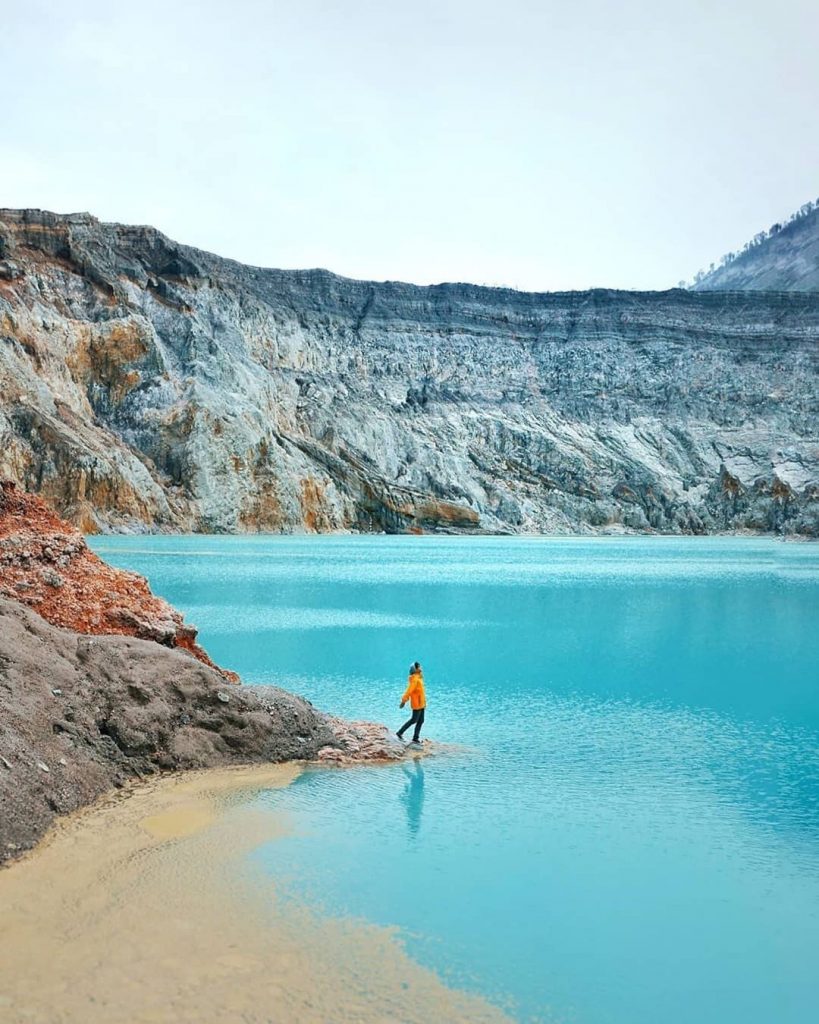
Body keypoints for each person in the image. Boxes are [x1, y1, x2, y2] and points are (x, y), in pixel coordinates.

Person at [397, 661, 426, 743]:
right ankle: (400, 732)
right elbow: (409, 691)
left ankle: (415, 738)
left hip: (421, 703)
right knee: (414, 720)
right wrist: (404, 700)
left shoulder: (419, 678)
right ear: (415, 669)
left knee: (421, 720)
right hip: (417, 703)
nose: (421, 668)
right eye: (419, 667)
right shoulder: (415, 679)